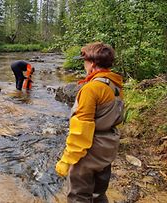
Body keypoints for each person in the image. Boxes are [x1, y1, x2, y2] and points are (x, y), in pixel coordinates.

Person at [55, 42, 124, 202]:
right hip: (108, 147)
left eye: (84, 61)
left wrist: (67, 159)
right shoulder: (115, 85)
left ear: (92, 63)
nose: (84, 65)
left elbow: (81, 131)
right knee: (98, 194)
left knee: (78, 196)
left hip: (90, 150)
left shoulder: (91, 89)